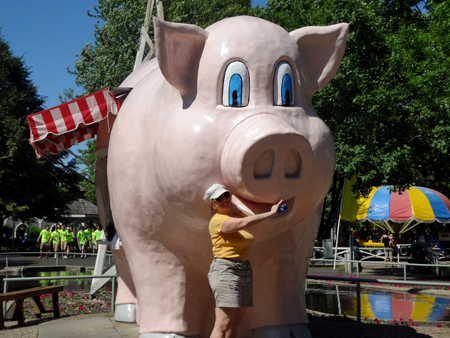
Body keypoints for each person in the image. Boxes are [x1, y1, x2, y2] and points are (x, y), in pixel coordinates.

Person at [204, 183, 282, 338]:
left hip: (244, 270)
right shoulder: (218, 220)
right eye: (219, 198)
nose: (224, 199)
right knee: (223, 323)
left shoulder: (231, 218)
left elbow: (243, 221)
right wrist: (271, 213)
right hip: (226, 270)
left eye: (226, 195)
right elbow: (244, 223)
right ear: (213, 204)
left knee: (235, 323)